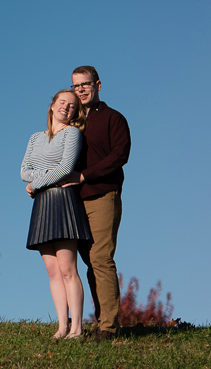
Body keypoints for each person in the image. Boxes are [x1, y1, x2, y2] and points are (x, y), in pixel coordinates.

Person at [59, 66, 131, 340]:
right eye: (76, 86)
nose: (81, 90)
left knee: (101, 258)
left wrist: (85, 175)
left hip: (103, 194)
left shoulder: (114, 118)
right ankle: (100, 320)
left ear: (98, 85)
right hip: (74, 200)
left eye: (86, 84)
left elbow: (120, 155)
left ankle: (109, 328)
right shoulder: (71, 121)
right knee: (88, 261)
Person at [21, 89, 92, 339]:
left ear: (75, 112)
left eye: (72, 106)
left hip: (63, 202)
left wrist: (37, 183)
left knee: (67, 269)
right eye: (62, 103)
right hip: (42, 204)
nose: (66, 108)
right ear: (52, 106)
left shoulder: (72, 133)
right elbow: (24, 171)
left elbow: (65, 168)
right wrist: (39, 181)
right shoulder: (34, 138)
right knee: (52, 271)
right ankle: (62, 327)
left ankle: (77, 328)